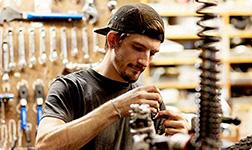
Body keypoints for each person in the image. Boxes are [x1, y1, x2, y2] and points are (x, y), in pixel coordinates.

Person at [35, 3, 189, 150]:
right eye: (138, 48)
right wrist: (116, 108)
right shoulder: (70, 87)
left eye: (152, 53)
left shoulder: (148, 100)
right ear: (113, 40)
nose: (145, 61)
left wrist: (178, 140)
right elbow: (45, 145)